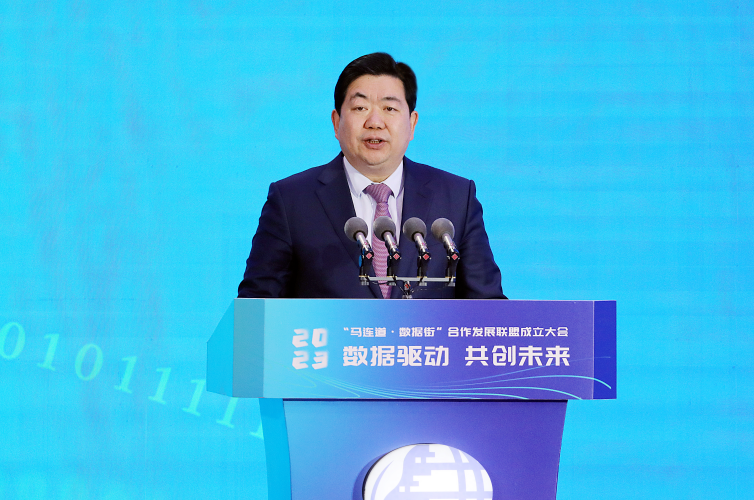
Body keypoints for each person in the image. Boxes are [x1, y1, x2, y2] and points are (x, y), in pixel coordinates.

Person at [238, 52, 506, 299]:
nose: (375, 122)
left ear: (412, 123)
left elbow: (490, 309)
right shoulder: (291, 201)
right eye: (360, 108)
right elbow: (255, 310)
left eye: (389, 109)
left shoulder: (457, 198)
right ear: (336, 122)